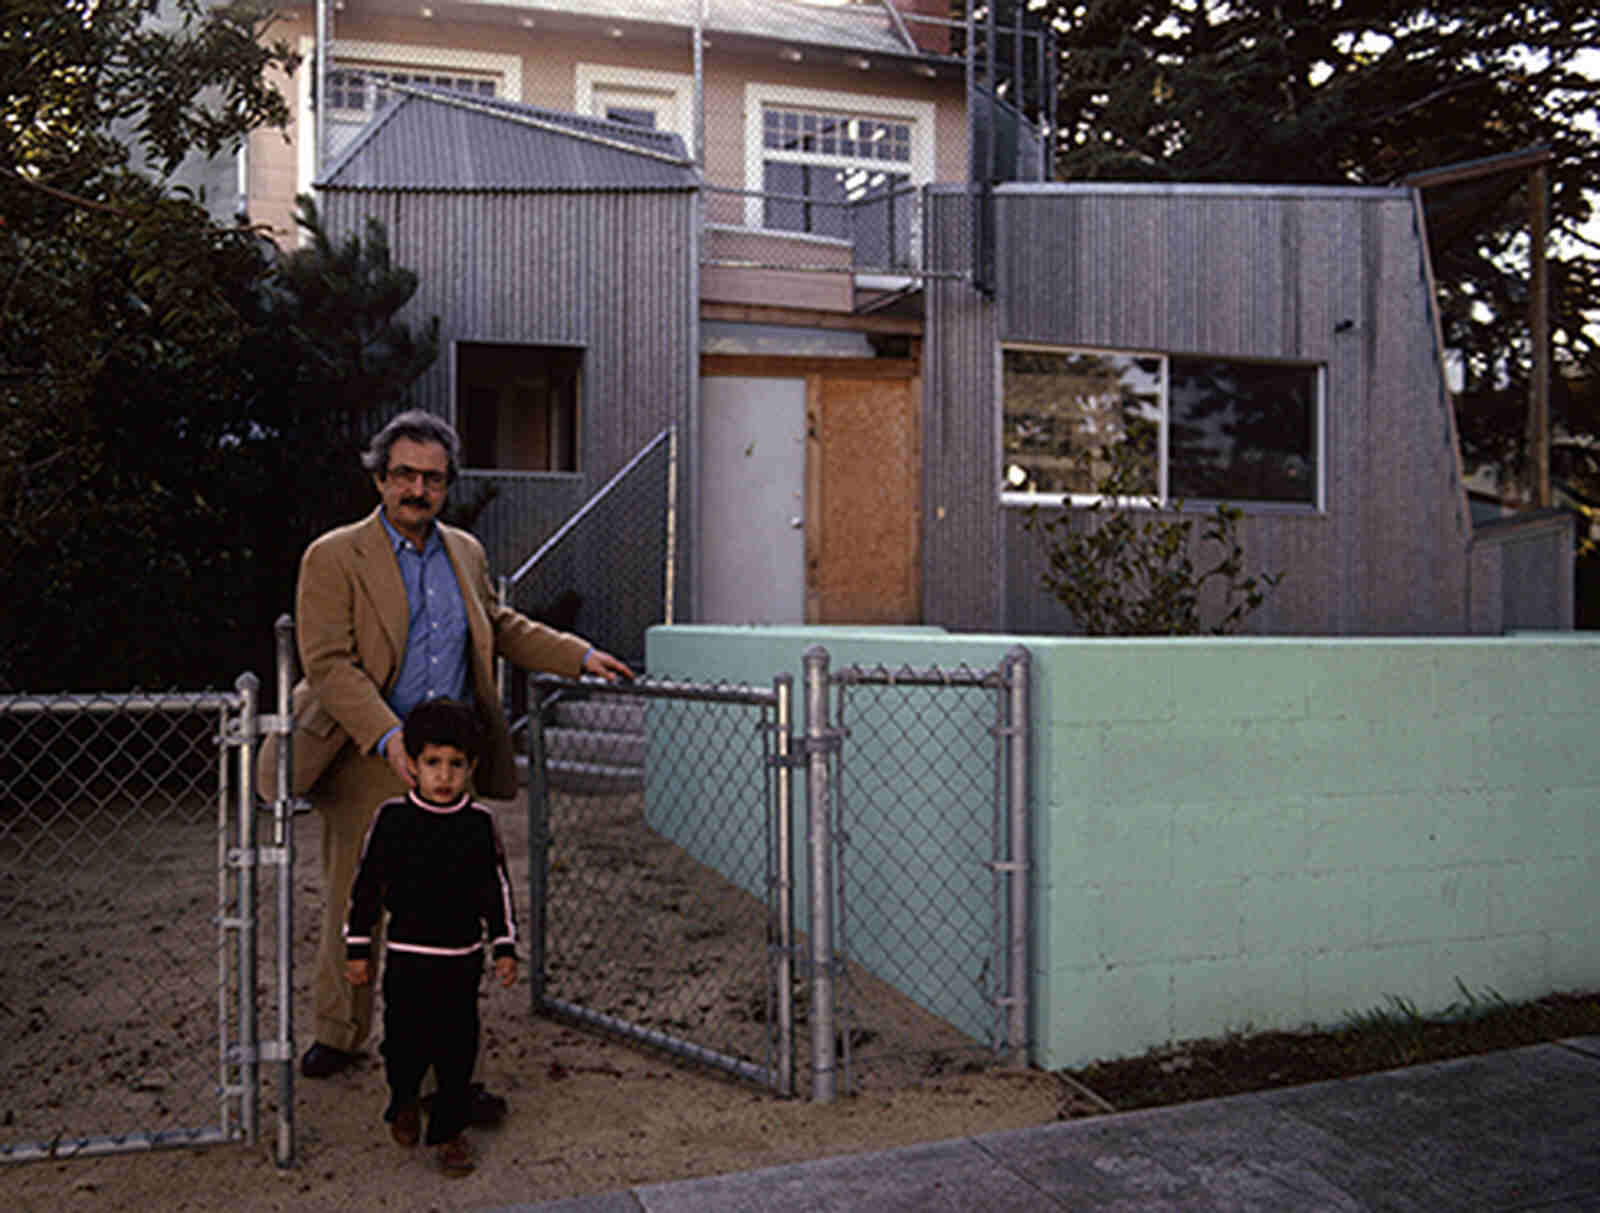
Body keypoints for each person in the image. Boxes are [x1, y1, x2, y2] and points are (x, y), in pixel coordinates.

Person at [263, 409, 632, 1112]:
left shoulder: (464, 549)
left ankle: (442, 1056)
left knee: (449, 909)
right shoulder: (333, 555)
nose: (418, 488)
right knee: (355, 898)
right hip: (369, 748)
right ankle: (339, 1033)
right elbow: (330, 663)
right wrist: (387, 735)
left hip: (447, 764)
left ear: (446, 485)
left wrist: (577, 654)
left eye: (432, 477)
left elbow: (500, 625)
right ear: (379, 477)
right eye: (404, 473)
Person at [345, 698, 512, 1177]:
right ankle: (402, 1100)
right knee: (403, 1043)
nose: (445, 776)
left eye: (456, 765)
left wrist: (503, 945)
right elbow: (365, 889)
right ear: (412, 765)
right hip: (406, 959)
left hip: (461, 960)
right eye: (433, 763)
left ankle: (450, 1132)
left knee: (458, 1048)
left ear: (471, 767)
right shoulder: (393, 821)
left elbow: (494, 888)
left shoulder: (479, 825)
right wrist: (357, 948)